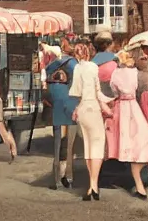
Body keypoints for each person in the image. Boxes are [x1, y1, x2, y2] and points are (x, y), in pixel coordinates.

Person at [109, 51, 148, 199]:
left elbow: (114, 91)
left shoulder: (115, 74)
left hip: (122, 108)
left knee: (132, 147)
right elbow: (138, 88)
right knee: (146, 141)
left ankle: (141, 186)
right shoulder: (134, 73)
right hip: (133, 105)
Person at [69, 40, 111, 201]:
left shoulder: (77, 68)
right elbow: (98, 91)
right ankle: (94, 185)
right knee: (97, 146)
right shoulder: (93, 67)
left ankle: (91, 186)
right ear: (89, 52)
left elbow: (77, 92)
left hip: (82, 109)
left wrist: (77, 109)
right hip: (93, 108)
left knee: (87, 146)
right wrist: (111, 100)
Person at [43, 42, 80, 189]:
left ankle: (57, 177)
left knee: (58, 142)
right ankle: (66, 176)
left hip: (54, 102)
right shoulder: (74, 65)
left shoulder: (51, 65)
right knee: (68, 144)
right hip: (69, 104)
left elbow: (46, 85)